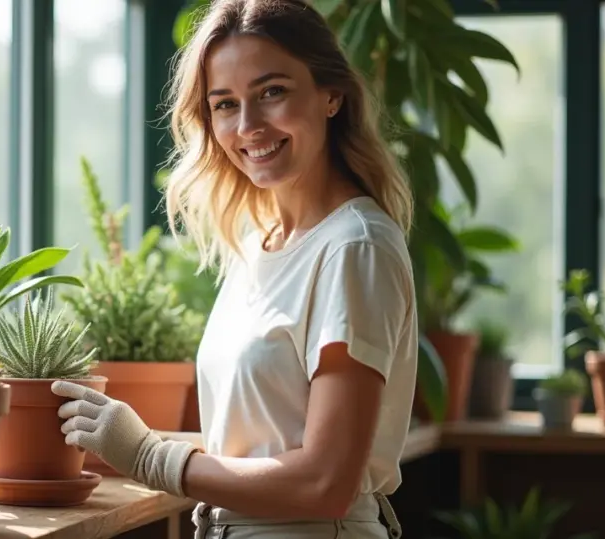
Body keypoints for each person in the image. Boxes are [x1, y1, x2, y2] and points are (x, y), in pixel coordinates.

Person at [50, 0, 417, 537]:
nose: (248, 125)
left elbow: (327, 482)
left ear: (331, 94)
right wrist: (128, 438)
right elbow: (259, 442)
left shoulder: (354, 248)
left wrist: (154, 456)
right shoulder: (257, 246)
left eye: (272, 92)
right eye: (224, 104)